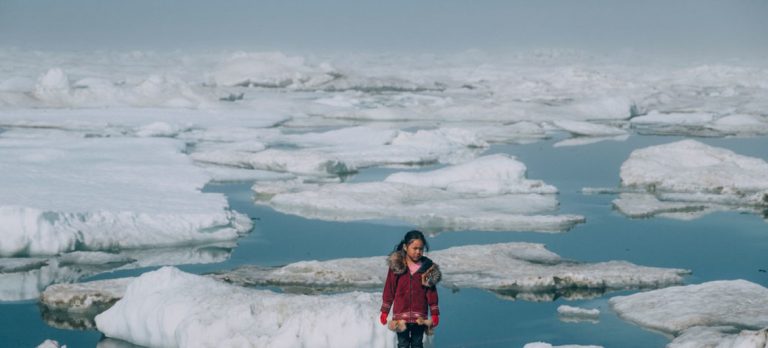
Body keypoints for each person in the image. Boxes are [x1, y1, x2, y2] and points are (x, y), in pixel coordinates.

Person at [379, 230, 441, 348]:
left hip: (419, 316)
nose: (418, 252)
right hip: (401, 316)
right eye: (415, 248)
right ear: (406, 247)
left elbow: (431, 292)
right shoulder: (397, 266)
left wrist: (434, 312)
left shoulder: (427, 268)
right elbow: (389, 289)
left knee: (417, 344)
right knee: (403, 344)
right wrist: (385, 310)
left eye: (421, 249)